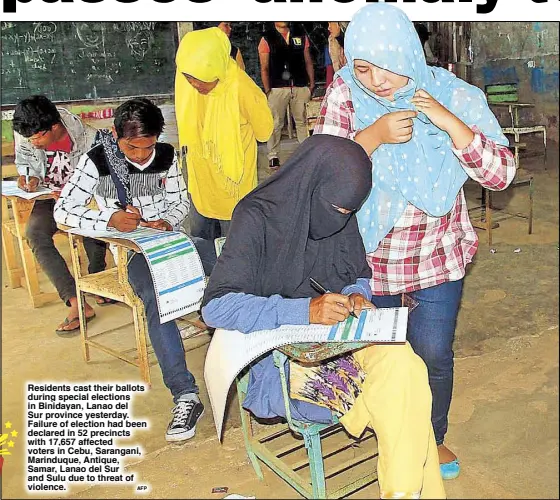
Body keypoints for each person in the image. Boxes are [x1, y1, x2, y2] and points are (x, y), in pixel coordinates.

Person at [314, 4, 516, 480]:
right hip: (369, 256)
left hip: (436, 254)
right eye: (363, 66)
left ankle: (432, 436)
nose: (377, 80)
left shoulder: (451, 93)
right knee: (380, 355)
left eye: (385, 64)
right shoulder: (346, 91)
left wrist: (448, 122)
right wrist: (372, 135)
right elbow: (323, 173)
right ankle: (395, 435)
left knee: (432, 353)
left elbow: (501, 174)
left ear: (407, 50)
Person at [202, 134, 445, 499]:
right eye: (338, 210)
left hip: (341, 334)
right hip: (285, 354)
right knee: (403, 395)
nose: (341, 220)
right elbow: (217, 306)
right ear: (311, 185)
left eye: (349, 213)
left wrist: (356, 297)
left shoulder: (339, 212)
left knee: (407, 367)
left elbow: (356, 273)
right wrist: (304, 310)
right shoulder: (257, 216)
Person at [54, 98, 206, 442]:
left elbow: (182, 201)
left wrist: (167, 220)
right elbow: (63, 213)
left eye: (147, 146)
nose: (140, 155)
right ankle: (185, 393)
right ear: (114, 135)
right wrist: (108, 218)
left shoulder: (166, 157)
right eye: (131, 147)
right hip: (133, 253)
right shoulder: (97, 161)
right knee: (157, 296)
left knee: (226, 262)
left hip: (171, 242)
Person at [12, 95, 109, 335]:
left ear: (55, 127)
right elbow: (25, 161)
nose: (33, 143)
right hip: (49, 196)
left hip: (85, 199)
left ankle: (99, 281)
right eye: (30, 138)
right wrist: (29, 176)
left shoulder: (89, 139)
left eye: (38, 137)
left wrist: (72, 194)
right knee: (35, 232)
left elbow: (102, 182)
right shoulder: (28, 130)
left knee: (90, 228)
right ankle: (76, 302)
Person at [175, 27, 273, 245]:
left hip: (233, 182)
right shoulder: (186, 82)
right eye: (188, 78)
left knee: (234, 244)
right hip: (201, 179)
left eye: (199, 79)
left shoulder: (242, 87)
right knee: (201, 241)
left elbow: (264, 130)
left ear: (216, 67)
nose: (194, 85)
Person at [258, 22, 315, 170]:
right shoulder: (267, 38)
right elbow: (264, 67)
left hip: (300, 85)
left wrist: (311, 84)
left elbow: (308, 60)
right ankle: (273, 156)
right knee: (276, 123)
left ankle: (306, 152)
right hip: (277, 88)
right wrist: (268, 89)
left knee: (302, 121)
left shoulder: (300, 36)